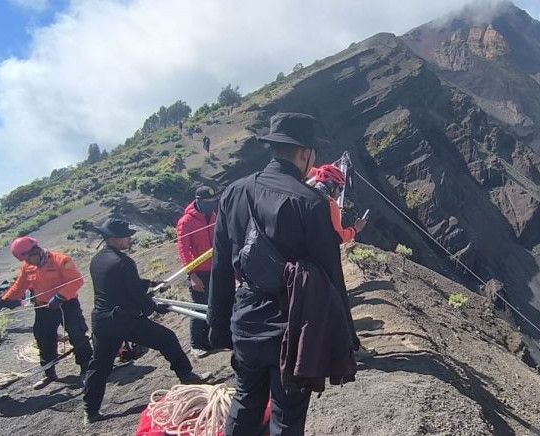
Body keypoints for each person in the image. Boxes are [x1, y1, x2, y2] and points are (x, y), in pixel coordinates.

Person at [208, 112, 359, 435]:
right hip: (291, 327)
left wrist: (219, 328)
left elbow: (221, 267)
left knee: (245, 404)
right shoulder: (311, 202)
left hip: (245, 319)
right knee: (287, 417)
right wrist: (347, 335)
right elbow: (331, 276)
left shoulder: (234, 192)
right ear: (305, 153)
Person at [83, 218, 209, 424]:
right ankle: (187, 376)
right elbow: (137, 296)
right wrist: (156, 307)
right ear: (115, 238)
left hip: (102, 320)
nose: (130, 239)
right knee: (167, 338)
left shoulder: (98, 259)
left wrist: (151, 284)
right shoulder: (124, 262)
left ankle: (90, 411)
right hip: (123, 319)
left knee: (100, 365)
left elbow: (121, 284)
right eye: (126, 236)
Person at [0, 237, 93, 389]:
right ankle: (49, 373)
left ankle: (87, 369)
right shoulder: (27, 267)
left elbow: (77, 280)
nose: (27, 261)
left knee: (77, 334)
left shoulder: (61, 260)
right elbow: (19, 286)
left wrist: (60, 296)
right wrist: (3, 300)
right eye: (24, 259)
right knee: (43, 338)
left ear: (36, 250)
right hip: (43, 308)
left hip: (67, 305)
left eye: (29, 257)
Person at [177, 185, 218, 358]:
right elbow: (183, 250)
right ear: (198, 201)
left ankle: (209, 341)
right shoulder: (186, 222)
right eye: (207, 202)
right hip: (199, 272)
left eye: (213, 201)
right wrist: (192, 275)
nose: (211, 204)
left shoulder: (215, 215)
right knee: (199, 308)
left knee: (215, 304)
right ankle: (196, 344)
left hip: (216, 268)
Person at [312, 164, 366, 244]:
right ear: (331, 185)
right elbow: (340, 237)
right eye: (340, 188)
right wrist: (356, 229)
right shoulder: (330, 204)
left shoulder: (301, 192)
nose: (340, 193)